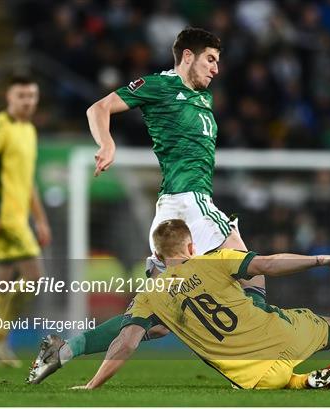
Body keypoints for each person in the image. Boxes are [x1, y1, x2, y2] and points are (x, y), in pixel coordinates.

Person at [27, 219, 330, 389]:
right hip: (284, 332)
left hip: (249, 370)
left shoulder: (151, 295)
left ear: (157, 257)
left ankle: (306, 382)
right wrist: (319, 259)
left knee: (267, 376)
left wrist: (93, 385)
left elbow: (127, 342)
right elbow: (269, 265)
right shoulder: (215, 261)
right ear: (192, 244)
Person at [59, 27, 266, 361]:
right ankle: (267, 353)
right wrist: (106, 143)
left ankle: (67, 348)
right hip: (189, 201)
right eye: (210, 59)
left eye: (217, 61)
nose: (216, 68)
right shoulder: (160, 85)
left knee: (157, 321)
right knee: (253, 274)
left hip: (177, 204)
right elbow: (97, 108)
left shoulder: (203, 96)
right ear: (188, 56)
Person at [0, 75, 51, 367]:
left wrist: (41, 221)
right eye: (22, 96)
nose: (28, 102)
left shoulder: (28, 130)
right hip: (4, 220)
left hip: (18, 219)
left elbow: (27, 183)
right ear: (9, 97)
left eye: (32, 96)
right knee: (36, 278)